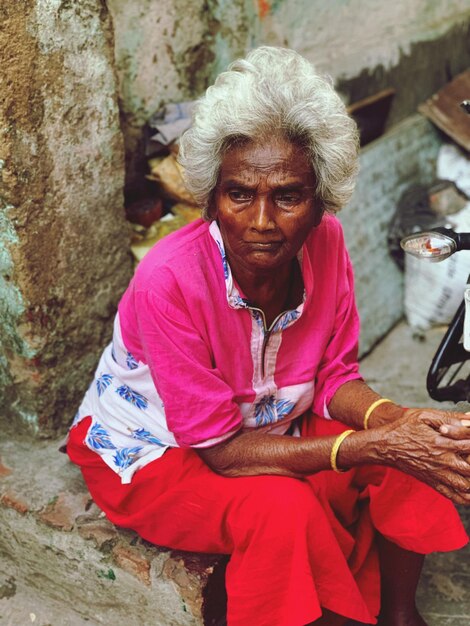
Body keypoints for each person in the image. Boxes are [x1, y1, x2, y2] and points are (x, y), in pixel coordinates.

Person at [66, 47, 470, 626]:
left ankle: (399, 616)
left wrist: (397, 424)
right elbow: (222, 450)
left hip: (269, 419)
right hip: (163, 453)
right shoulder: (167, 280)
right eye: (239, 194)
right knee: (283, 509)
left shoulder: (326, 243)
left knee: (416, 449)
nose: (261, 221)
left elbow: (334, 377)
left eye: (287, 195)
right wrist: (364, 444)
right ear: (211, 197)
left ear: (318, 201)